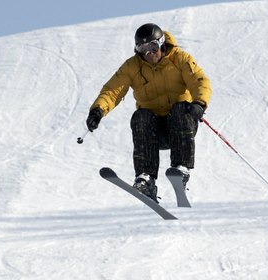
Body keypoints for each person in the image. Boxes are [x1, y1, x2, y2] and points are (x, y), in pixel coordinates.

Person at [86, 23, 211, 201]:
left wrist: (199, 103)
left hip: (181, 126)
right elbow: (112, 91)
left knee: (180, 108)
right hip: (155, 132)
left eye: (153, 47)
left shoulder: (179, 58)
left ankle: (181, 168)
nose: (150, 54)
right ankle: (146, 178)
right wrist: (97, 111)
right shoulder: (132, 66)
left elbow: (199, 80)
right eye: (143, 49)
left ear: (161, 43)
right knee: (141, 116)